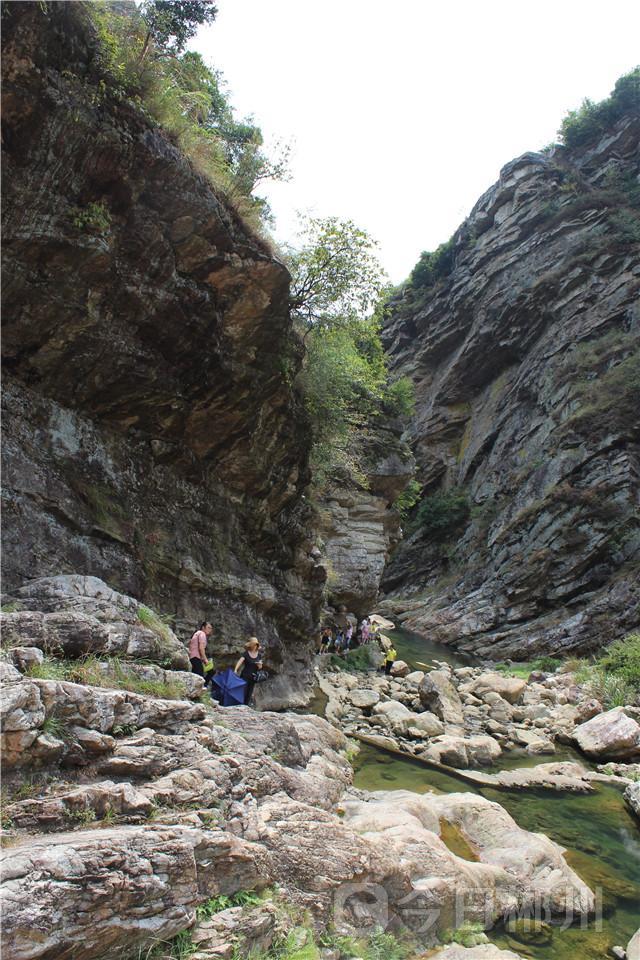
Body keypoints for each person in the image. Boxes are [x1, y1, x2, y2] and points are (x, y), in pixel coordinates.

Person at [234, 637, 263, 706]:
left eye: (256, 645)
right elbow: (240, 661)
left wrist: (259, 665)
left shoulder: (259, 655)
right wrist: (235, 669)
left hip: (253, 677)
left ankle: (245, 707)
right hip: (245, 676)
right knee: (242, 692)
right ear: (250, 645)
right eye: (253, 644)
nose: (254, 646)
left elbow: (260, 668)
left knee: (249, 693)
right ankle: (239, 706)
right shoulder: (246, 653)